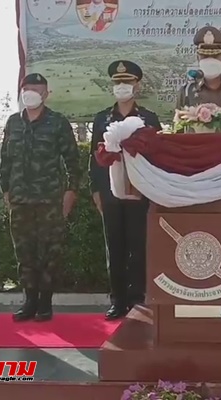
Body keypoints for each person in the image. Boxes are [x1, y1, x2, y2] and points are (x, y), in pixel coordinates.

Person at [0, 73, 81, 322]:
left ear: (46, 93)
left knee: (49, 253)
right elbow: (6, 160)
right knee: (24, 254)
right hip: (20, 200)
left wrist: (71, 192)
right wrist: (6, 189)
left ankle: (45, 303)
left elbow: (73, 162)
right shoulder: (13, 122)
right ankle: (29, 300)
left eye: (36, 89)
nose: (30, 93)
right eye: (27, 88)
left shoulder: (57, 123)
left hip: (49, 201)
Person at [90, 60, 162, 321]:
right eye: (118, 83)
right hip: (110, 193)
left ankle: (138, 298)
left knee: (138, 245)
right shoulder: (102, 119)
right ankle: (117, 300)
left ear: (137, 85)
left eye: (128, 82)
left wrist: (154, 191)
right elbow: (94, 158)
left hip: (140, 192)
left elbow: (157, 157)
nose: (122, 87)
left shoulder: (149, 119)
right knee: (115, 247)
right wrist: (95, 191)